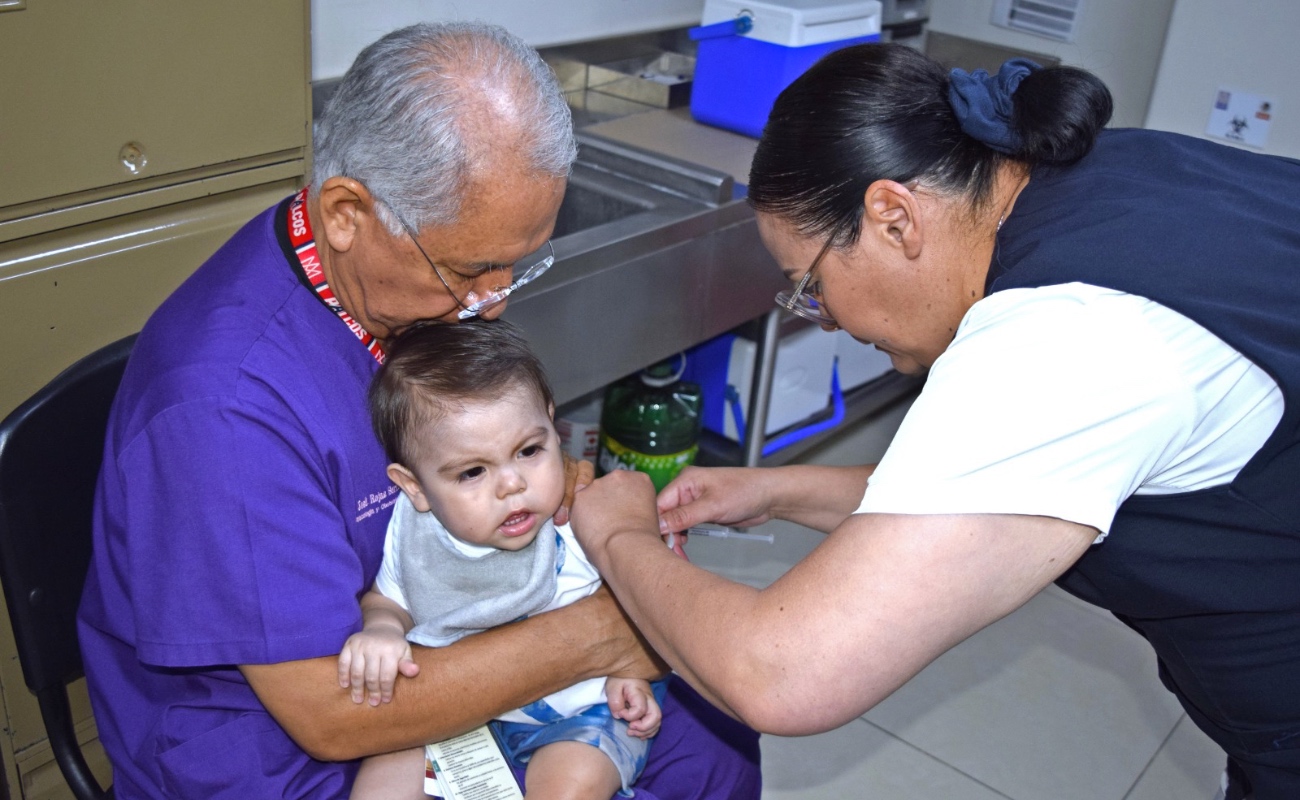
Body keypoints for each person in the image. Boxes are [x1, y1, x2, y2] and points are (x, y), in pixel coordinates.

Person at [568, 42, 1300, 800]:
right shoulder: (1097, 179)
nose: (825, 321)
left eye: (809, 287)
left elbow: (782, 671)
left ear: (893, 218)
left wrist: (616, 536)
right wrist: (773, 491)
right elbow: (977, 499)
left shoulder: (1064, 338)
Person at [76, 21, 759, 799]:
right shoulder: (226, 412)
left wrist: (556, 488)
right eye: (470, 269)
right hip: (287, 752)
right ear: (345, 213)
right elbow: (331, 719)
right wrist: (607, 630)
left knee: (718, 741)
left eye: (516, 263)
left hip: (432, 644)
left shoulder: (384, 287)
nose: (492, 305)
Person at [343, 319, 667, 799]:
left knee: (566, 788)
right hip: (459, 711)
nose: (512, 484)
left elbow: (640, 599)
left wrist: (629, 674)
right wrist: (383, 629)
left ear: (554, 431)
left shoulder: (576, 520)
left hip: (582, 705)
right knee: (380, 784)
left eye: (529, 450)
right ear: (415, 487)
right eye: (473, 472)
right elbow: (389, 598)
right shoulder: (415, 536)